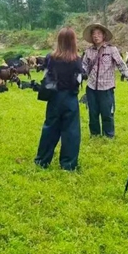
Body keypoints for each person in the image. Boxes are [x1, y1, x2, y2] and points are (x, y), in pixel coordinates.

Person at [34, 27, 84, 171]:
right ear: (73, 42)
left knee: (50, 128)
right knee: (71, 132)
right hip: (70, 99)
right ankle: (68, 164)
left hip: (54, 98)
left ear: (59, 41)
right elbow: (79, 79)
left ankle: (42, 160)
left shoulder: (50, 57)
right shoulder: (76, 60)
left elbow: (45, 76)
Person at [82, 23, 128, 138]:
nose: (96, 36)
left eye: (98, 34)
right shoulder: (88, 51)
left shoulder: (112, 49)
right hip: (91, 87)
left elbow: (121, 64)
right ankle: (95, 134)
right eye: (93, 34)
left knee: (107, 113)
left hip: (107, 87)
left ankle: (108, 135)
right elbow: (84, 66)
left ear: (103, 35)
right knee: (92, 113)